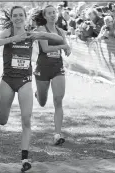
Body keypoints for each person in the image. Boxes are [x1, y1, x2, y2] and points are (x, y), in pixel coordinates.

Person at [0, 5, 64, 172]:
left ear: (25, 17)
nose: (18, 18)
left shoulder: (31, 33)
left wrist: (41, 34)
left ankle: (24, 158)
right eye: (15, 15)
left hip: (25, 81)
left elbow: (59, 39)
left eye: (21, 15)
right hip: (7, 81)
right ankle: (4, 117)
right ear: (12, 17)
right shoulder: (9, 32)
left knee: (26, 119)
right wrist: (11, 40)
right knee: (2, 120)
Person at [32, 5, 71, 146]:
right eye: (49, 13)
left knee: (58, 100)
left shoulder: (61, 31)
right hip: (43, 68)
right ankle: (38, 94)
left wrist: (68, 49)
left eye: (54, 12)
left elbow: (67, 47)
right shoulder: (41, 30)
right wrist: (63, 47)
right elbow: (46, 48)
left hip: (57, 68)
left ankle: (57, 134)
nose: (53, 15)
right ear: (45, 16)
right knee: (42, 102)